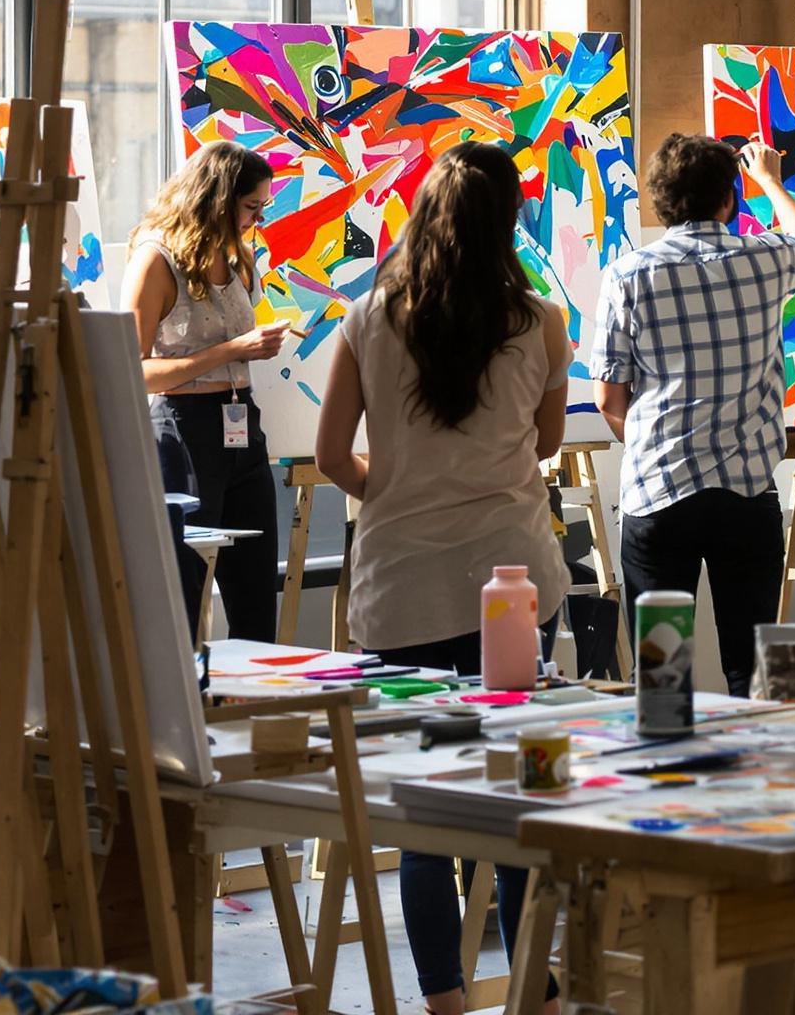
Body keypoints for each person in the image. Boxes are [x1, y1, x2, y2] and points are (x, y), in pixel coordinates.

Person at [310, 143, 566, 1015]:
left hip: (403, 585)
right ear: (506, 224)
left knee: (423, 807)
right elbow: (547, 441)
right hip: (511, 580)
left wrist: (389, 488)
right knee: (522, 794)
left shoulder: (368, 318)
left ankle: (445, 1001)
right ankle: (533, 990)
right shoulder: (537, 322)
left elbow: (328, 454)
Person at [593, 133, 795, 696]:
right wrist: (768, 176)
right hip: (747, 497)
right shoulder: (764, 260)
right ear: (730, 198)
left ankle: (668, 781)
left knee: (661, 678)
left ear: (659, 200)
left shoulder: (628, 275)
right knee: (753, 676)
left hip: (659, 494)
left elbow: (608, 398)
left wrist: (648, 445)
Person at [126, 140, 286, 642]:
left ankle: (259, 708)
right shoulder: (155, 260)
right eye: (250, 206)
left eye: (262, 207)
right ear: (217, 198)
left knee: (257, 586)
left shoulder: (237, 254)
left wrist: (254, 349)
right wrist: (230, 349)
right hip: (184, 431)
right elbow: (134, 370)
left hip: (242, 423)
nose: (256, 219)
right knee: (184, 587)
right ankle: (181, 711)